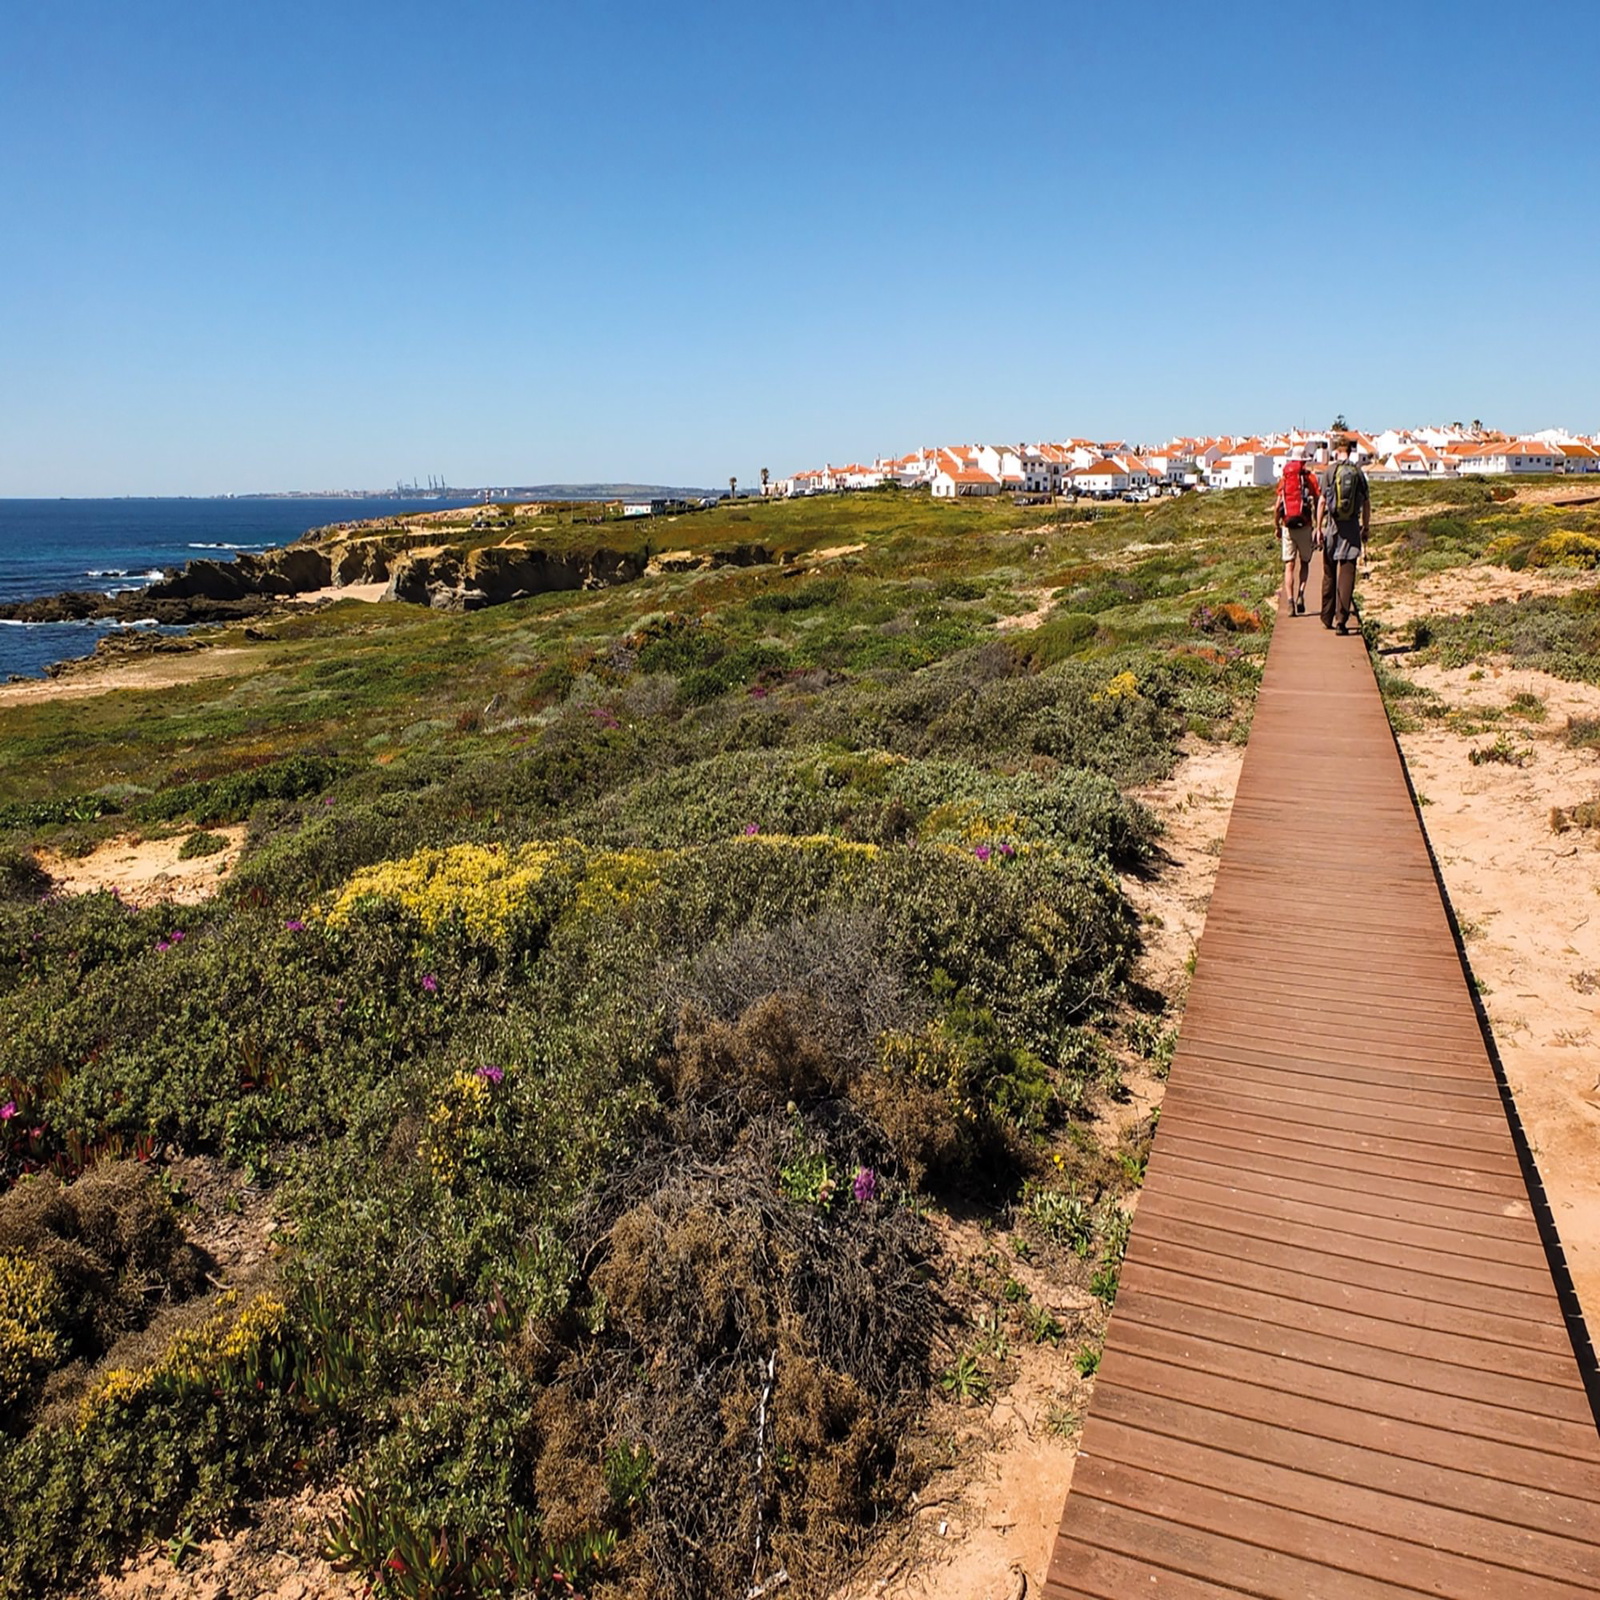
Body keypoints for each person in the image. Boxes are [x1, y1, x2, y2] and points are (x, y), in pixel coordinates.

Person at [1318, 436, 1370, 633]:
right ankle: (1341, 620)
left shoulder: (1329, 471)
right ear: (1350, 450)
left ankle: (1326, 616)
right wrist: (1366, 527)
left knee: (1329, 573)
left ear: (1335, 450)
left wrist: (1317, 528)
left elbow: (1322, 501)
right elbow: (1366, 502)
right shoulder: (1357, 472)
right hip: (1351, 528)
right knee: (1347, 574)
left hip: (1332, 528)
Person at [1274, 446, 1320, 614]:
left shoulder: (1285, 480)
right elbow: (1317, 500)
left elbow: (1278, 505)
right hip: (1305, 525)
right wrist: (1318, 525)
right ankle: (1301, 593)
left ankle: (1290, 601)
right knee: (1305, 563)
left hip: (1288, 526)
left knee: (1289, 565)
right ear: (1303, 462)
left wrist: (1277, 526)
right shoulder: (1310, 478)